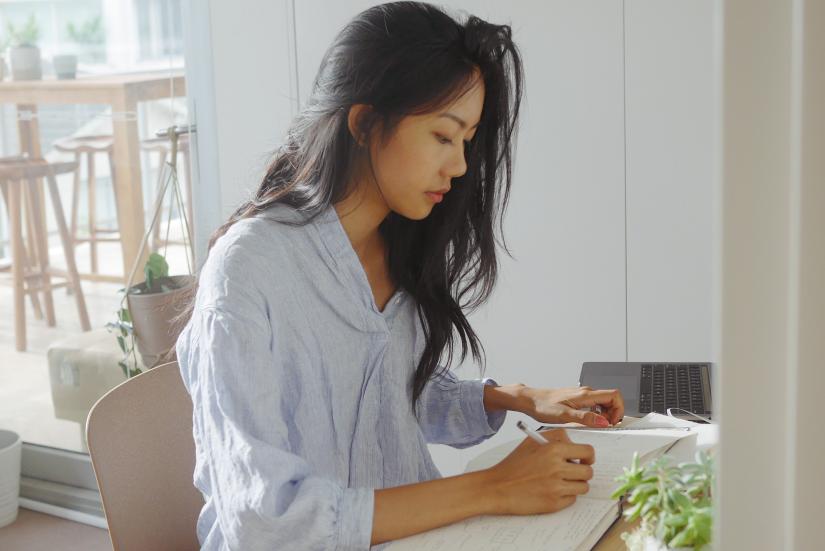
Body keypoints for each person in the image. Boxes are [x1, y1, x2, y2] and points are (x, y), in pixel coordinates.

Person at [175, 2, 624, 549]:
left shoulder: (396, 249)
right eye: (442, 136)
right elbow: (267, 518)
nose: (459, 166)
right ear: (364, 123)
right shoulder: (249, 271)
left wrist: (516, 398)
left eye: (467, 141)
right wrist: (494, 488)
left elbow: (395, 396)